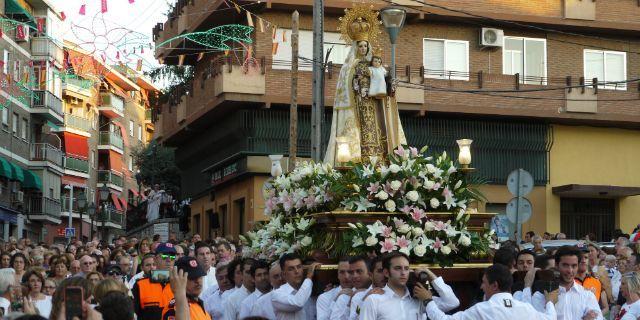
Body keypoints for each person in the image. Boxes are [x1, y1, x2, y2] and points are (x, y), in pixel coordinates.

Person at [324, 6, 405, 165]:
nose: (363, 48)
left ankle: (381, 160)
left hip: (375, 106)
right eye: (360, 46)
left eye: (365, 46)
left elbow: (386, 86)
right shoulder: (348, 67)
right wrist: (358, 87)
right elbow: (347, 87)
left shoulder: (375, 65)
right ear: (355, 46)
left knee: (378, 132)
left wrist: (391, 87)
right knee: (361, 134)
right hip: (358, 105)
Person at [420, 264, 556, 320]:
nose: (481, 287)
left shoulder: (483, 309)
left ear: (495, 285)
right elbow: (551, 318)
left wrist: (428, 300)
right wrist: (549, 302)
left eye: (484, 282)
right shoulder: (526, 309)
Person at [530, 246, 603, 320]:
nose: (570, 270)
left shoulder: (587, 295)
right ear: (556, 265)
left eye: (574, 266)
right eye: (565, 265)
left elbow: (598, 318)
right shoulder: (541, 295)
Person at [359, 252, 424, 319]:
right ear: (386, 273)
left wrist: (430, 275)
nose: (403, 273)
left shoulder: (419, 298)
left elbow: (435, 315)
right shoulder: (373, 300)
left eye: (406, 268)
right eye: (398, 268)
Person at [132, 243, 176, 320]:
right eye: (164, 256)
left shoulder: (180, 285)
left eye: (172, 256)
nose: (169, 260)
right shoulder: (140, 285)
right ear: (155, 259)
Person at [271, 253, 319, 319]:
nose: (297, 271)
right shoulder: (277, 294)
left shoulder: (309, 291)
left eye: (299, 267)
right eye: (291, 269)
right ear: (283, 274)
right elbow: (298, 303)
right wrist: (309, 276)